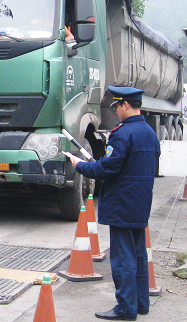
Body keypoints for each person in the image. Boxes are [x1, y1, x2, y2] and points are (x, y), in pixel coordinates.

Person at [65, 86, 160, 321]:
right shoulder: (149, 133)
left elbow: (108, 168)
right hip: (140, 203)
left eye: (117, 106)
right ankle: (140, 304)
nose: (115, 111)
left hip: (122, 204)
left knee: (123, 258)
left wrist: (81, 166)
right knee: (138, 255)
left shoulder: (122, 134)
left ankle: (125, 308)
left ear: (126, 105)